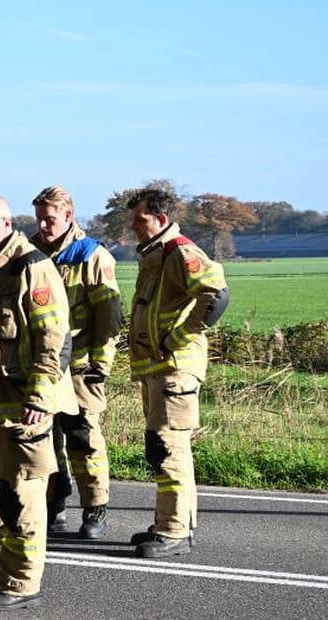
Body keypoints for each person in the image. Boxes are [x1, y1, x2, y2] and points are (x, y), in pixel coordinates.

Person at [0, 195, 72, 611]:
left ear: (7, 223)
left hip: (24, 404)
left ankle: (22, 582)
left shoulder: (32, 268)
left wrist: (41, 398)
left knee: (20, 493)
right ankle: (3, 567)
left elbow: (53, 342)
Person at [125, 187, 227, 558]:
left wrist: (178, 337)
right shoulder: (157, 254)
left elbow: (216, 295)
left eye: (140, 220)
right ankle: (173, 522)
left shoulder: (181, 251)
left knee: (169, 447)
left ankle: (174, 531)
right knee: (164, 446)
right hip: (158, 367)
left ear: (161, 220)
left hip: (176, 368)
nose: (133, 227)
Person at [31, 185, 121, 539]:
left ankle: (95, 508)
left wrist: (102, 364)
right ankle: (55, 504)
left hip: (82, 364)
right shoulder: (32, 253)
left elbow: (110, 316)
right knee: (45, 438)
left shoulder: (92, 254)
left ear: (69, 216)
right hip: (47, 365)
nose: (43, 225)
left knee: (84, 437)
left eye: (50, 219)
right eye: (39, 218)